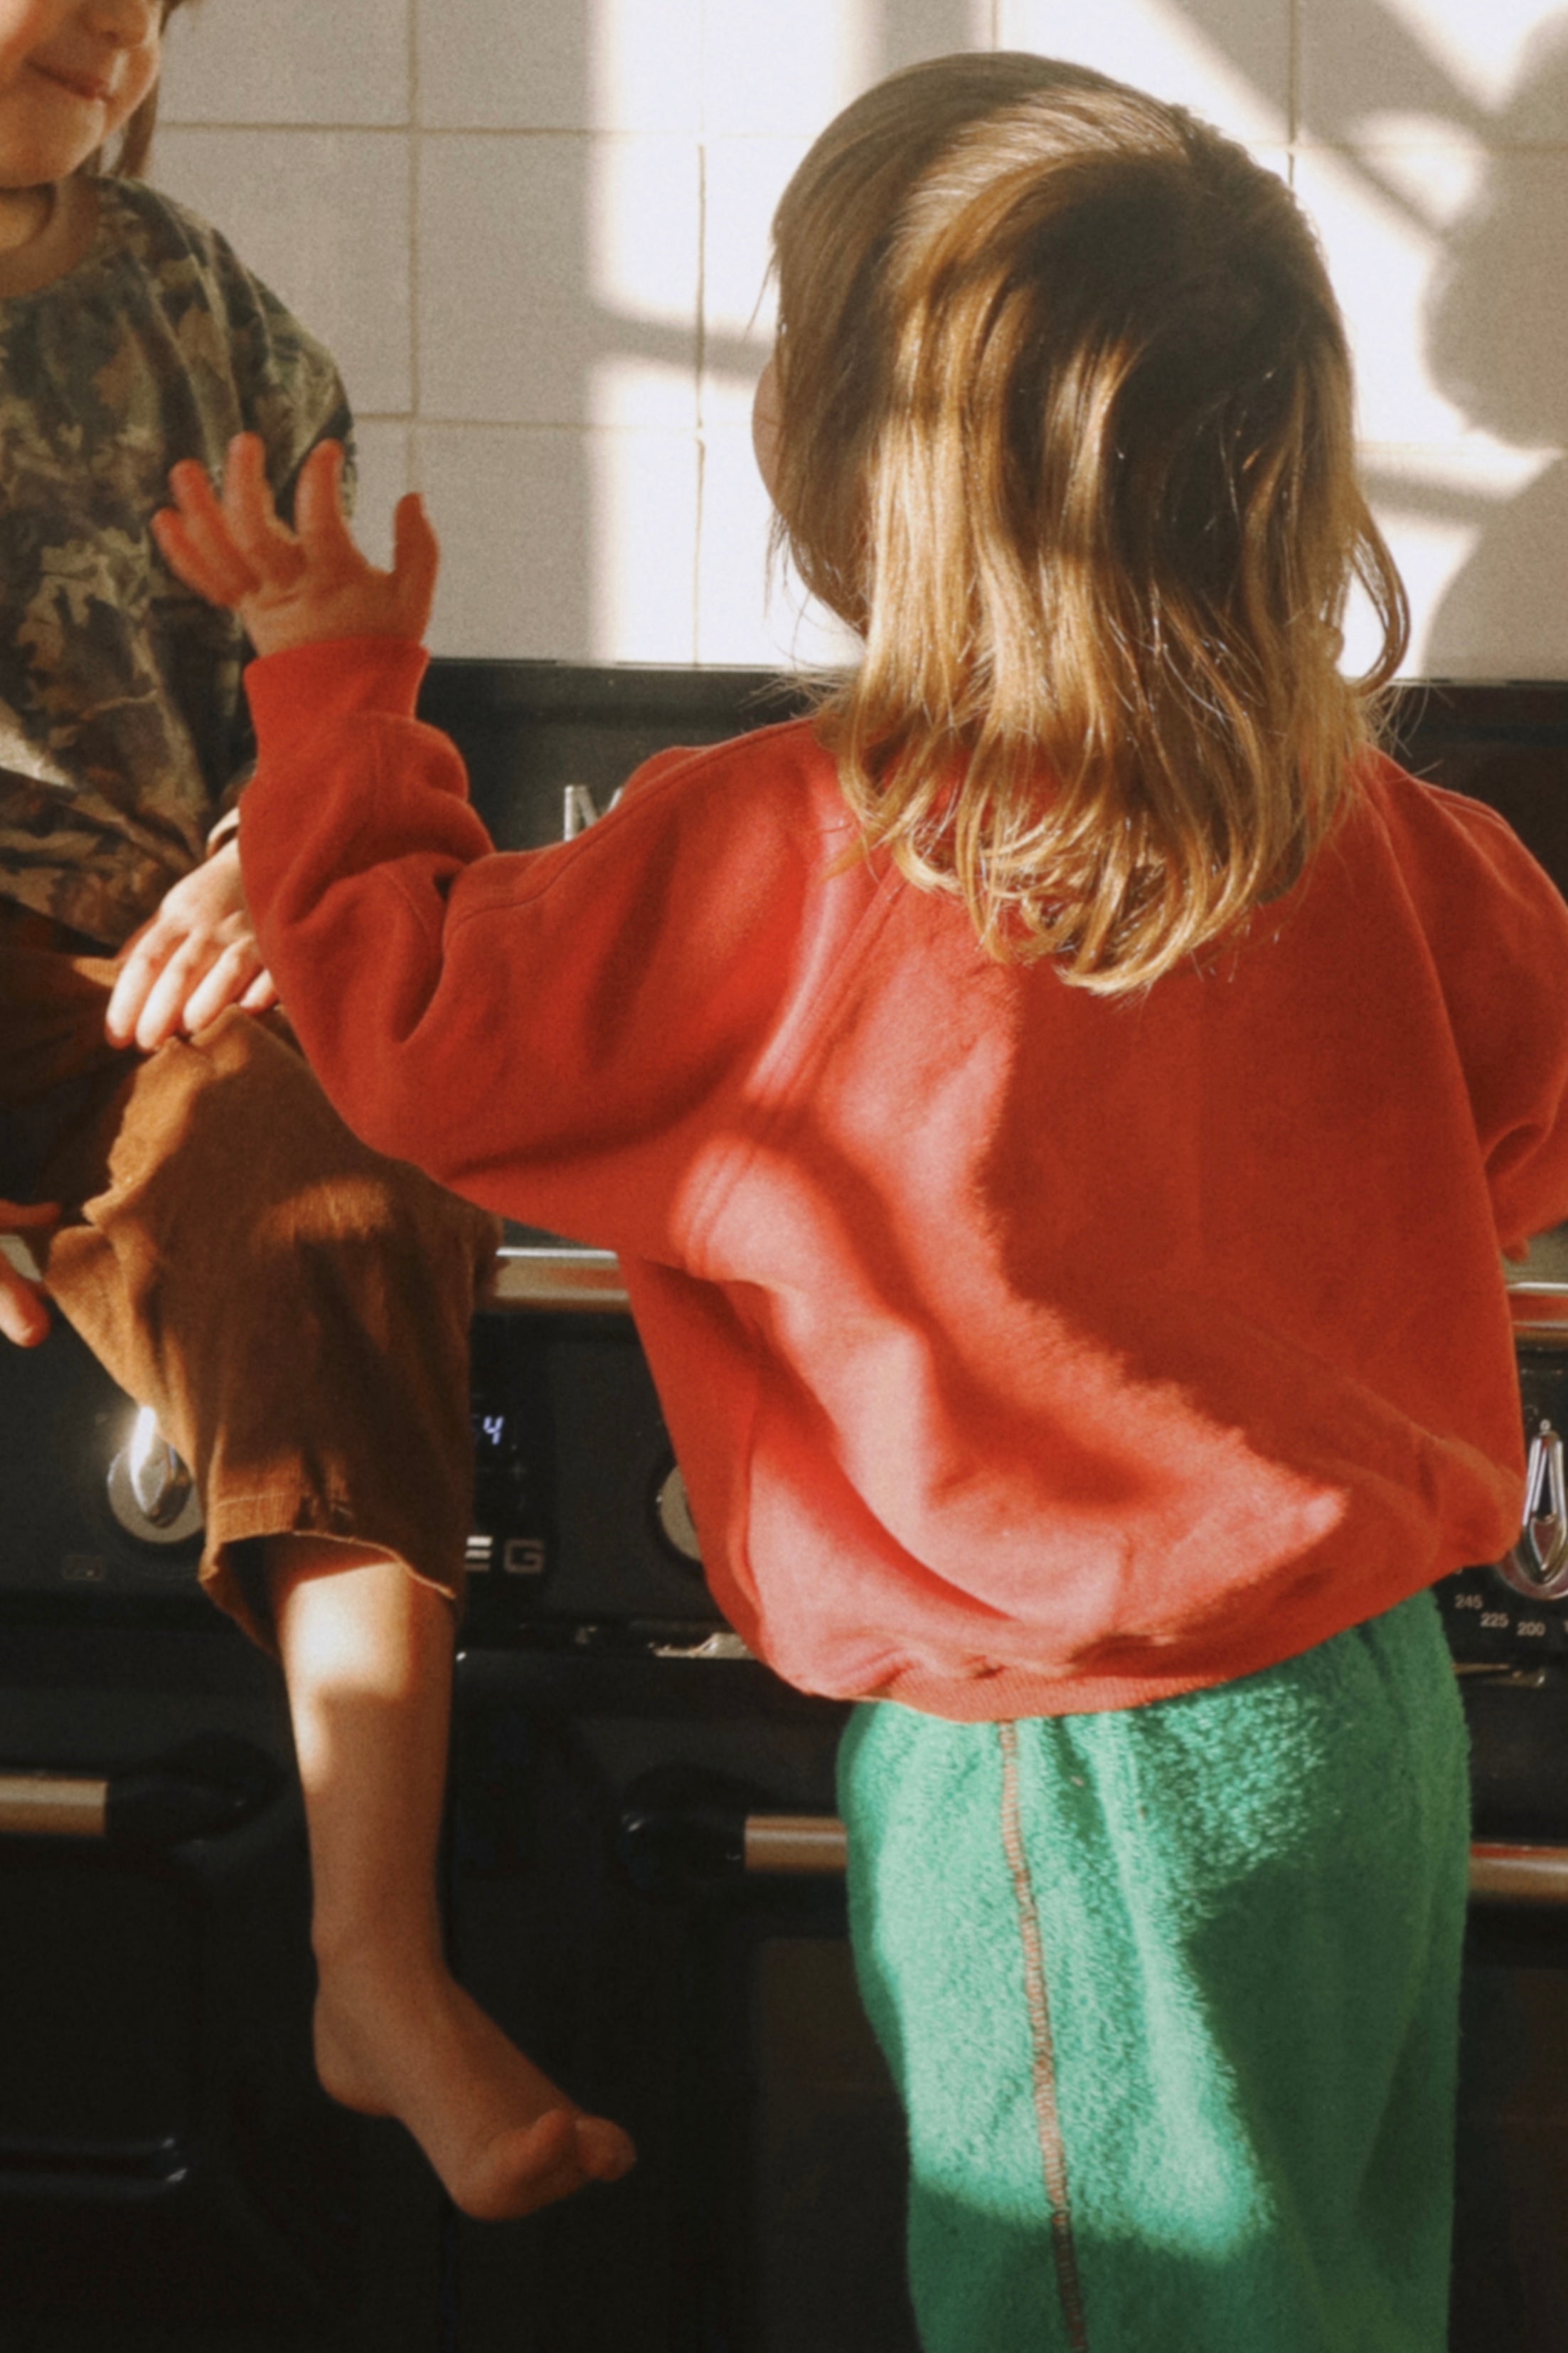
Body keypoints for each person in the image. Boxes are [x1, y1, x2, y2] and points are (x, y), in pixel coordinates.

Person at [154, 49, 1568, 2351]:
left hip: (1067, 1792)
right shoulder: (1399, 845)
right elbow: (1519, 1126)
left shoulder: (780, 853)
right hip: (1363, 1729)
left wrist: (331, 699)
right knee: (1325, 2293)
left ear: (850, 486)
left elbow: (410, 1020)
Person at [0, 0, 634, 2220]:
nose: (100, 6)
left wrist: (266, 852)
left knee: (350, 1185)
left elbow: (326, 663)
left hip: (159, 977)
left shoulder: (191, 308)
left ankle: (371, 1958)